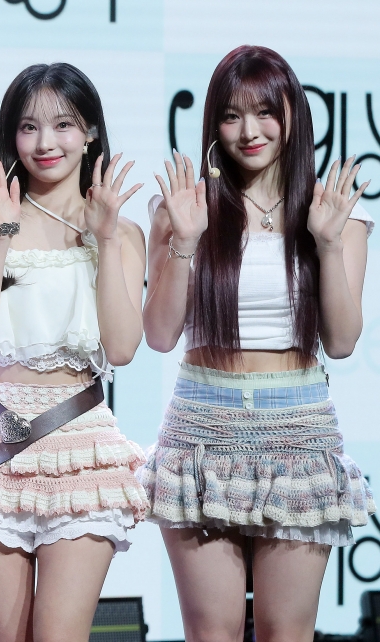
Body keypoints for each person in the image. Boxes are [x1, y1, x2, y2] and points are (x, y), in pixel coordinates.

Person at [139, 45, 376, 642]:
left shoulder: (333, 213)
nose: (249, 131)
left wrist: (327, 243)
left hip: (298, 432)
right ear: (213, 125)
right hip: (202, 430)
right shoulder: (183, 209)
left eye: (265, 112)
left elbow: (342, 342)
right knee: (210, 632)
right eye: (232, 115)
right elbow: (159, 335)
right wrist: (185, 241)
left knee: (285, 633)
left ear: (293, 115)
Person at [0, 63, 149, 642]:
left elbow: (122, 348)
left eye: (63, 125)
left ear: (89, 133)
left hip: (81, 443)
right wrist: (0, 232)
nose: (45, 143)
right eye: (29, 127)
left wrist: (105, 237)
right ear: (10, 135)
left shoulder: (121, 232)